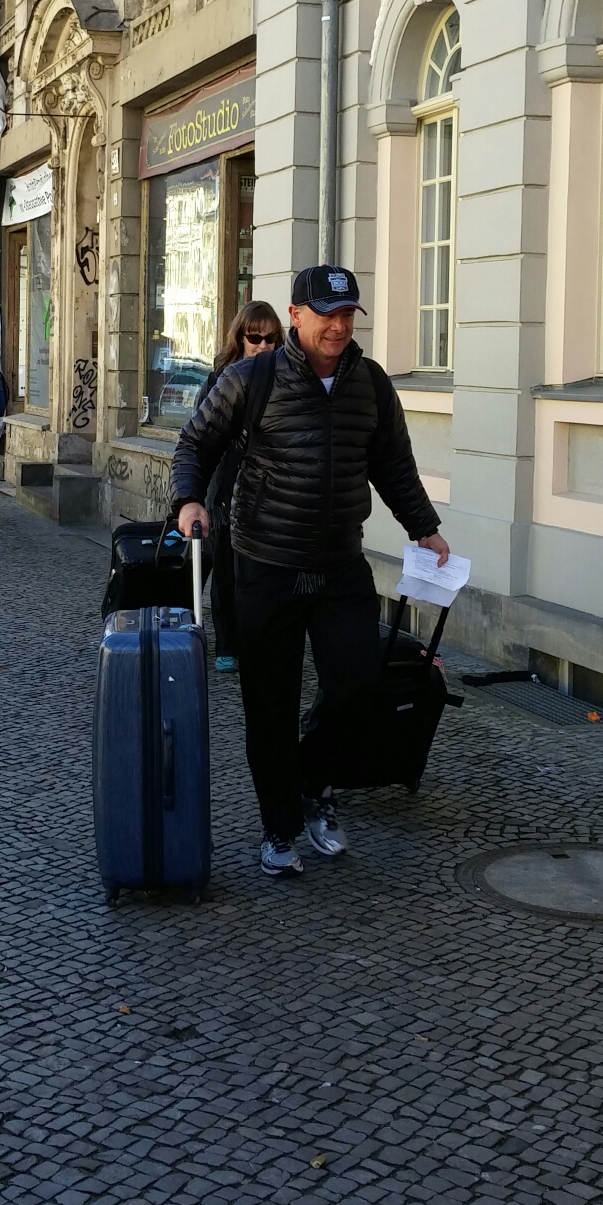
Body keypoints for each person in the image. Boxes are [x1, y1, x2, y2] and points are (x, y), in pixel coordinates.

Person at [171, 265, 450, 879]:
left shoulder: (370, 384)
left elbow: (394, 465)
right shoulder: (251, 379)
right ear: (296, 315)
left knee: (357, 686)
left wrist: (423, 527)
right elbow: (195, 443)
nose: (339, 327)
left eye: (348, 315)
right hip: (266, 564)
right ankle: (279, 827)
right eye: (328, 314)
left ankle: (312, 781)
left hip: (340, 565)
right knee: (269, 704)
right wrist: (188, 500)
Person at [192, 301, 285, 674]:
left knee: (263, 576)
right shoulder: (221, 379)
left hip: (272, 492)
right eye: (255, 338)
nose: (263, 345)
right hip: (227, 489)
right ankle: (227, 644)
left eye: (270, 339)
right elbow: (199, 441)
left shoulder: (287, 378)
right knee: (227, 572)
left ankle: (258, 642)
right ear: (240, 338)